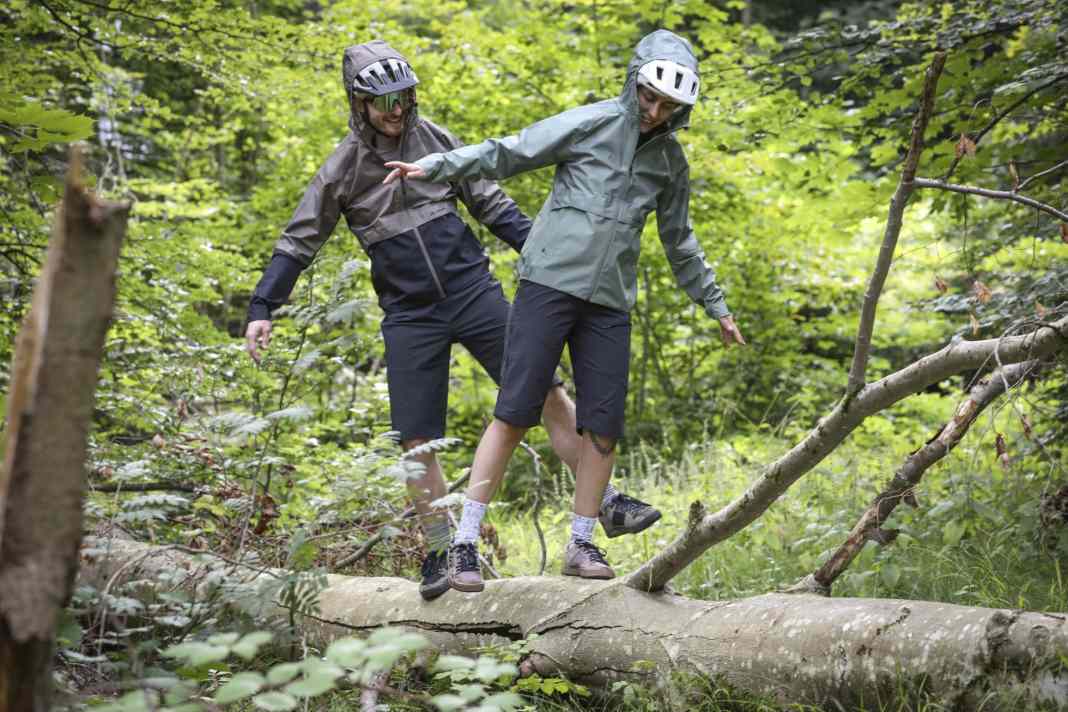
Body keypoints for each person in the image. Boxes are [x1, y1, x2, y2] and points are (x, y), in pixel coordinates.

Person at [245, 40, 662, 601]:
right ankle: (442, 549)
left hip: (473, 292)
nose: (396, 108)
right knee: (417, 441)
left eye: (403, 96)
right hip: (409, 314)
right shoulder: (341, 168)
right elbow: (299, 240)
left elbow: (492, 204)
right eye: (382, 101)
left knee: (546, 392)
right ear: (358, 103)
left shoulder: (435, 140)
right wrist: (263, 306)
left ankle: (605, 503)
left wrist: (551, 259)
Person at [384, 29, 746, 593]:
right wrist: (439, 165)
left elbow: (680, 240)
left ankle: (581, 544)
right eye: (649, 97)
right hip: (548, 284)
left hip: (610, 302)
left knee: (603, 428)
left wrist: (715, 303)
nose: (654, 112)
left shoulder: (670, 162)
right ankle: (464, 545)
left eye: (668, 106)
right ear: (634, 83)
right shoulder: (591, 123)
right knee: (514, 413)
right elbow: (510, 151)